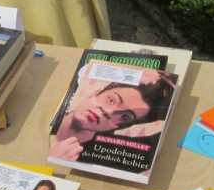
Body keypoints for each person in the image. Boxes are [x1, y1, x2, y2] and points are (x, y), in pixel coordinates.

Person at [48, 69, 176, 163]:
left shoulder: (102, 157)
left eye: (124, 117)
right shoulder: (54, 113)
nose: (107, 112)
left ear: (121, 126)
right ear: (96, 92)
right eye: (111, 100)